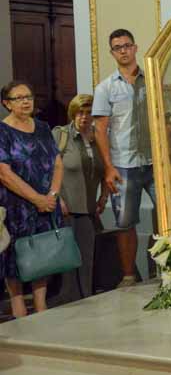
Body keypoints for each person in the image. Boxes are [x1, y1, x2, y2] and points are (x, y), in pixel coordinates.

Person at [92, 29, 157, 288]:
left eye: (127, 45)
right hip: (122, 164)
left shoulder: (151, 80)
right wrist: (108, 167)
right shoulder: (105, 88)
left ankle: (169, 270)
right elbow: (100, 130)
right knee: (125, 222)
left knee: (165, 218)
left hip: (154, 162)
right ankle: (129, 276)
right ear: (112, 52)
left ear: (135, 47)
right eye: (117, 47)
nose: (123, 50)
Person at [0, 80, 67, 317]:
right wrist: (36, 198)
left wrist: (52, 195)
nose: (26, 101)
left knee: (43, 251)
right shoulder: (3, 131)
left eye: (28, 96)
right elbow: (4, 174)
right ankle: (18, 305)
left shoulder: (42, 127)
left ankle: (40, 303)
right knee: (14, 256)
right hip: (16, 204)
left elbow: (57, 163)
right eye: (19, 98)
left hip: (46, 202)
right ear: (6, 103)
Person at [51, 94, 106, 303]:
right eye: (79, 112)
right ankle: (70, 300)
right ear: (72, 114)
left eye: (88, 113)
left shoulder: (97, 137)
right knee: (68, 259)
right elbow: (49, 169)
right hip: (67, 207)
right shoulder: (61, 135)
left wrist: (104, 196)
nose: (84, 117)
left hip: (89, 209)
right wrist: (57, 198)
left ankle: (85, 299)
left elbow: (104, 169)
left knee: (86, 258)